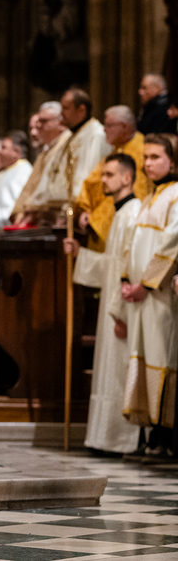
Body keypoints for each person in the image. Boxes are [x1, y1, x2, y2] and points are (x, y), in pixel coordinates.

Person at [63, 153, 141, 455]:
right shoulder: (120, 214)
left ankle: (120, 439)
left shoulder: (133, 214)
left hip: (122, 306)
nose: (103, 180)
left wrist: (121, 313)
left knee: (119, 371)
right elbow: (111, 265)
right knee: (108, 370)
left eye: (109, 175)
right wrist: (80, 254)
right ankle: (104, 438)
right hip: (112, 303)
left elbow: (129, 269)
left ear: (127, 177)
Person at [116, 133, 178, 462]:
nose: (148, 163)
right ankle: (149, 433)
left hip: (161, 296)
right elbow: (133, 244)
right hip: (142, 297)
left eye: (155, 157)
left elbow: (171, 245)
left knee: (163, 360)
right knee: (142, 359)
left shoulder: (176, 195)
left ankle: (166, 437)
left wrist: (147, 284)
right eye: (146, 157)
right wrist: (127, 279)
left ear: (173, 161)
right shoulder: (149, 197)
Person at [23, 89, 111, 220]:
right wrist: (34, 204)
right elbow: (50, 173)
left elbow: (91, 173)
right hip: (55, 211)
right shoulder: (69, 137)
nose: (61, 113)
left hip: (76, 211)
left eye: (66, 108)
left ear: (81, 110)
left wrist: (77, 207)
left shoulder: (96, 135)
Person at [75, 105, 150, 252]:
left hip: (122, 220)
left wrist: (95, 219)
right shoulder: (116, 150)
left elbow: (129, 192)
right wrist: (85, 209)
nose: (104, 129)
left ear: (124, 127)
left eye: (109, 125)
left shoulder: (140, 151)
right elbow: (92, 182)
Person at [12, 102, 69, 221]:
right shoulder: (47, 151)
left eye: (43, 121)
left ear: (61, 122)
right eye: (38, 121)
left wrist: (32, 208)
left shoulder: (66, 146)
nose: (38, 126)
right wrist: (20, 210)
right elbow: (31, 185)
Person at [0, 135, 32, 231]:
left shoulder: (23, 171)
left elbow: (13, 208)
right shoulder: (6, 171)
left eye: (3, 148)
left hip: (3, 228)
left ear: (15, 152)